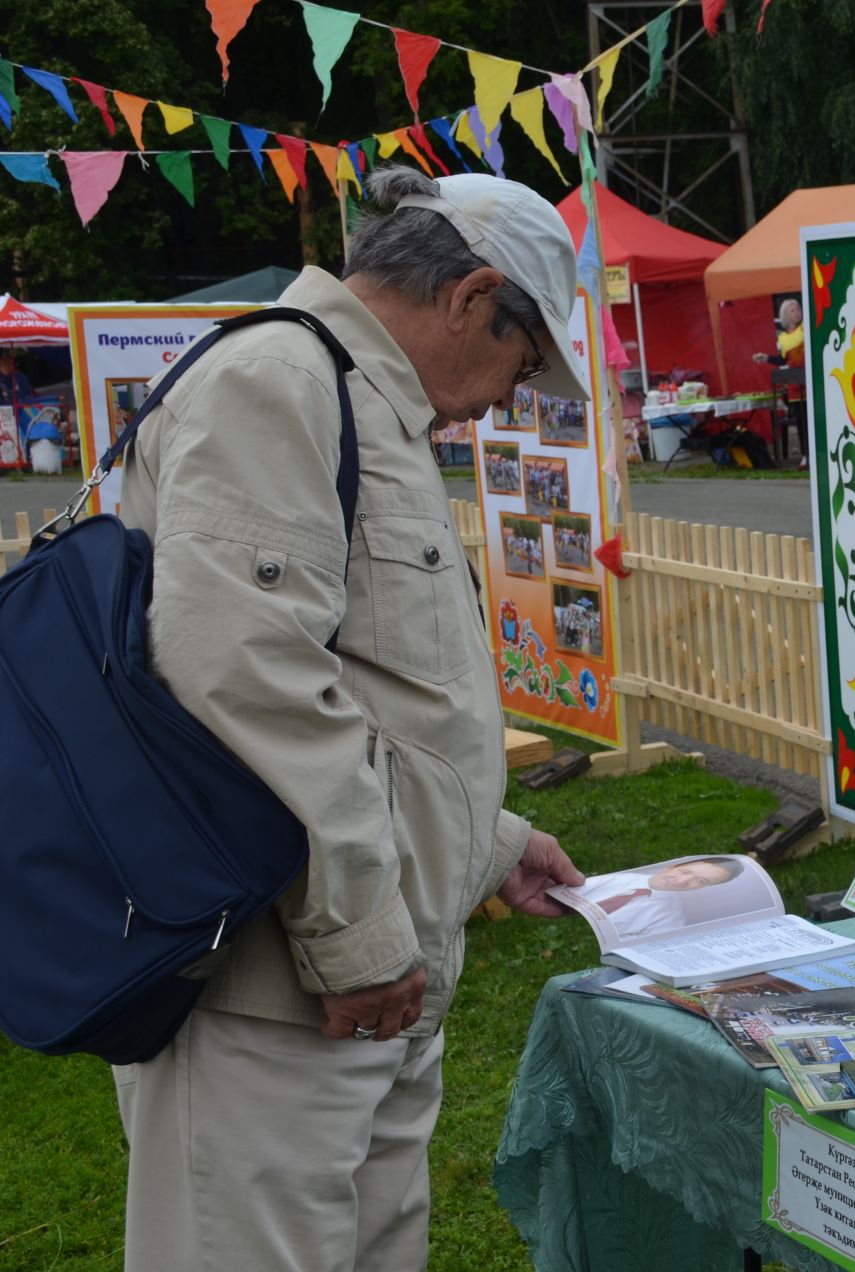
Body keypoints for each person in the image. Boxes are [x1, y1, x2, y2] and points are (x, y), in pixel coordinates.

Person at [111, 167, 591, 1272]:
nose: (506, 400)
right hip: (277, 994)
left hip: (351, 986)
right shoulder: (282, 379)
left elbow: (373, 692)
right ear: (473, 299)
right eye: (521, 365)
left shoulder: (355, 400)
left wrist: (489, 845)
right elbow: (242, 677)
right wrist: (363, 942)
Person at [588, 856, 746, 941]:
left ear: (703, 889)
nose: (682, 881)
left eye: (701, 881)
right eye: (685, 872)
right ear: (673, 866)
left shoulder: (671, 919)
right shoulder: (619, 878)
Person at [754, 298, 807, 468]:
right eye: (792, 310)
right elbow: (783, 359)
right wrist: (767, 358)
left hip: (809, 381)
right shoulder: (783, 338)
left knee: (811, 419)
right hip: (794, 384)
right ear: (785, 315)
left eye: (798, 308)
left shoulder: (806, 329)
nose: (797, 312)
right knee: (800, 420)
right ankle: (806, 455)